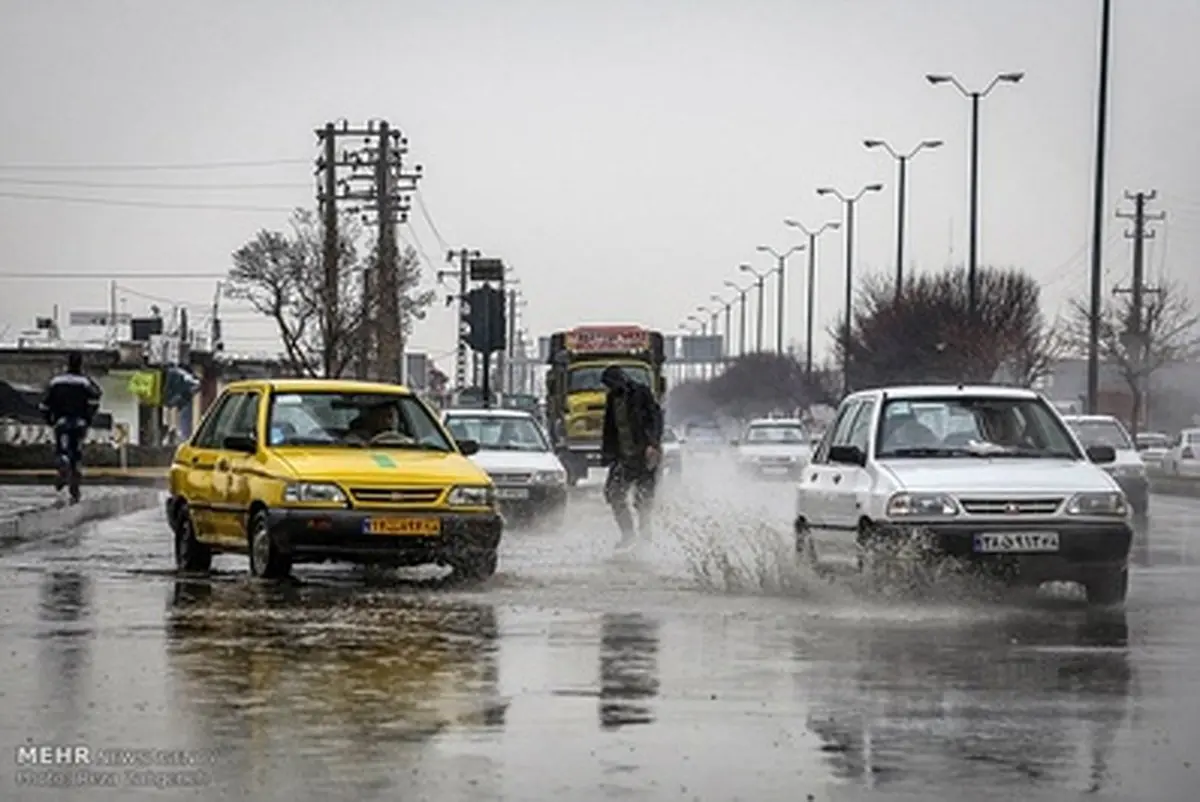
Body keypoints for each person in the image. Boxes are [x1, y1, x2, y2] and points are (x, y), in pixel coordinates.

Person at [599, 365, 664, 549]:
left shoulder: (641, 393)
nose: (610, 388)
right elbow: (610, 428)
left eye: (611, 384)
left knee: (643, 499)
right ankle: (627, 533)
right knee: (613, 493)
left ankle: (645, 537)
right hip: (623, 457)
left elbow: (656, 418)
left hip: (645, 455)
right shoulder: (612, 399)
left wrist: (653, 444)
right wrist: (607, 455)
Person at [39, 352, 103, 502]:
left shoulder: (56, 382)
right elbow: (96, 398)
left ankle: (63, 462)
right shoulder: (85, 382)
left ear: (67, 363)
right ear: (80, 364)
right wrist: (88, 418)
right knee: (77, 451)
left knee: (62, 449)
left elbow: (44, 405)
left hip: (61, 421)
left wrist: (49, 420)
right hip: (80, 422)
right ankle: (74, 478)